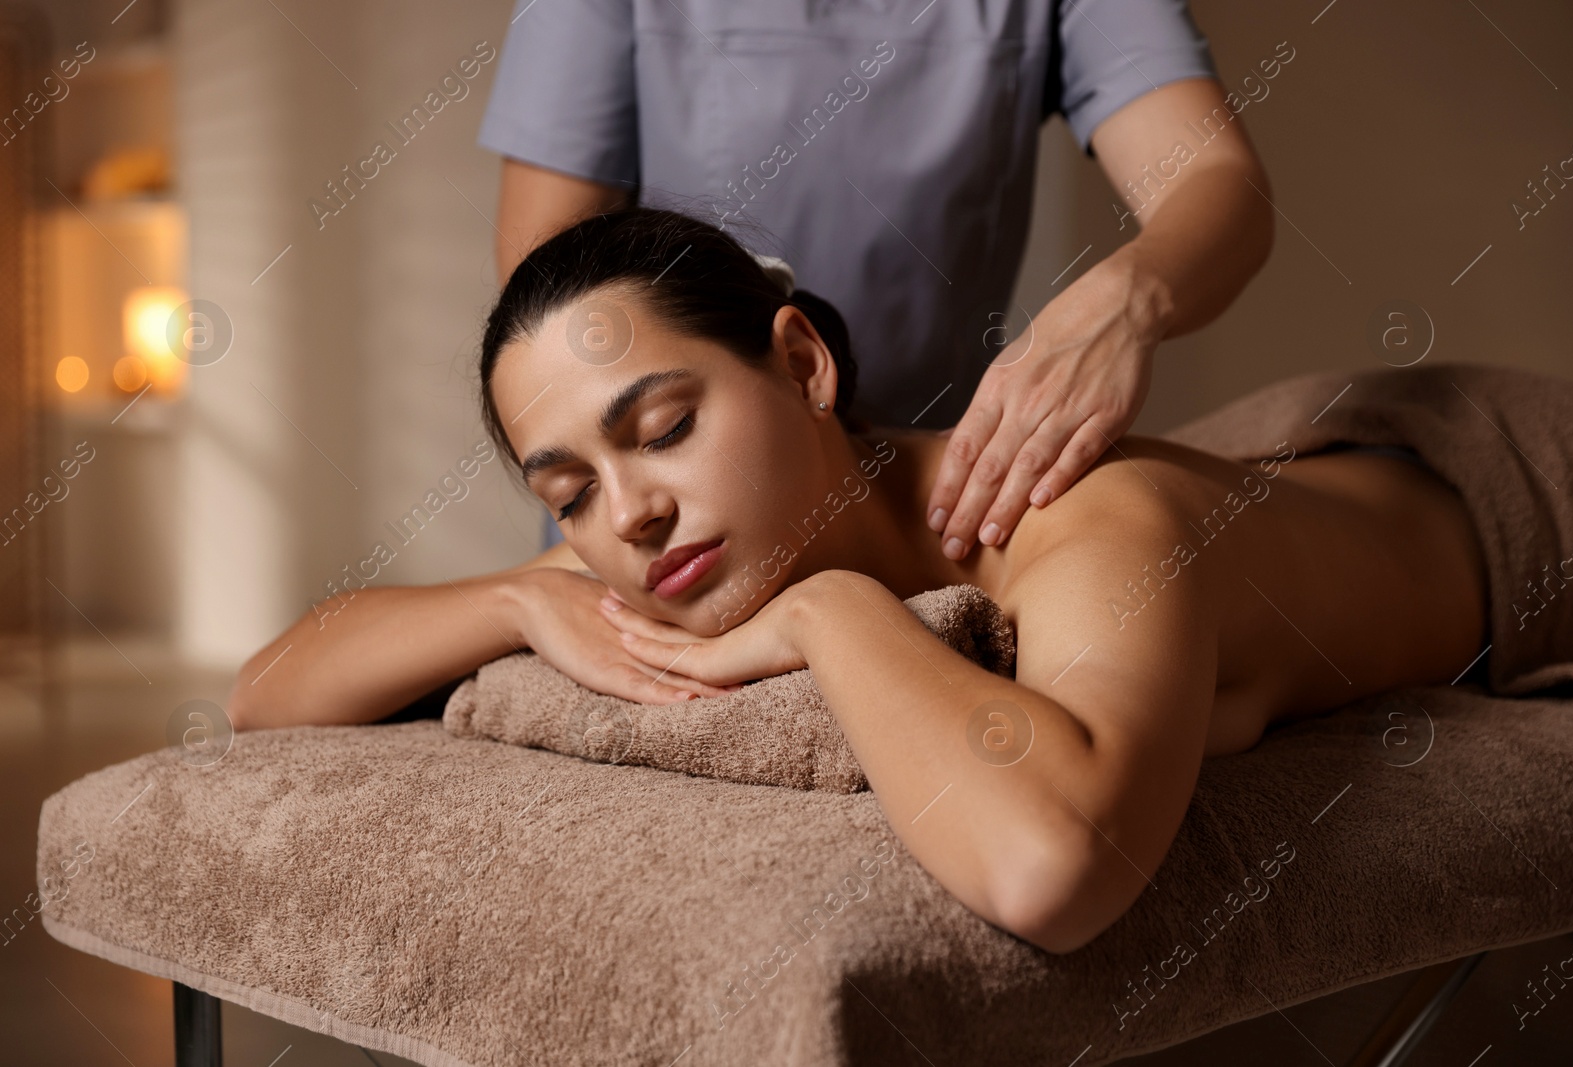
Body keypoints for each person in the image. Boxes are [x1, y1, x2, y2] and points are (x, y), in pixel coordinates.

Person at [228, 208, 1488, 955]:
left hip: (1491, 477)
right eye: (566, 493)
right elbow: (270, 686)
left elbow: (1055, 867)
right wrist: (514, 597)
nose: (629, 511)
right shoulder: (656, 527)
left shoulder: (1089, 521)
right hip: (1279, 452)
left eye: (665, 424)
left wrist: (834, 615)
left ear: (801, 363)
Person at [478, 0, 1275, 561]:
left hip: (929, 518)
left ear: (805, 363)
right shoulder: (635, 519)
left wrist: (1126, 303)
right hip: (684, 554)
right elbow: (544, 285)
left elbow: (1216, 182)